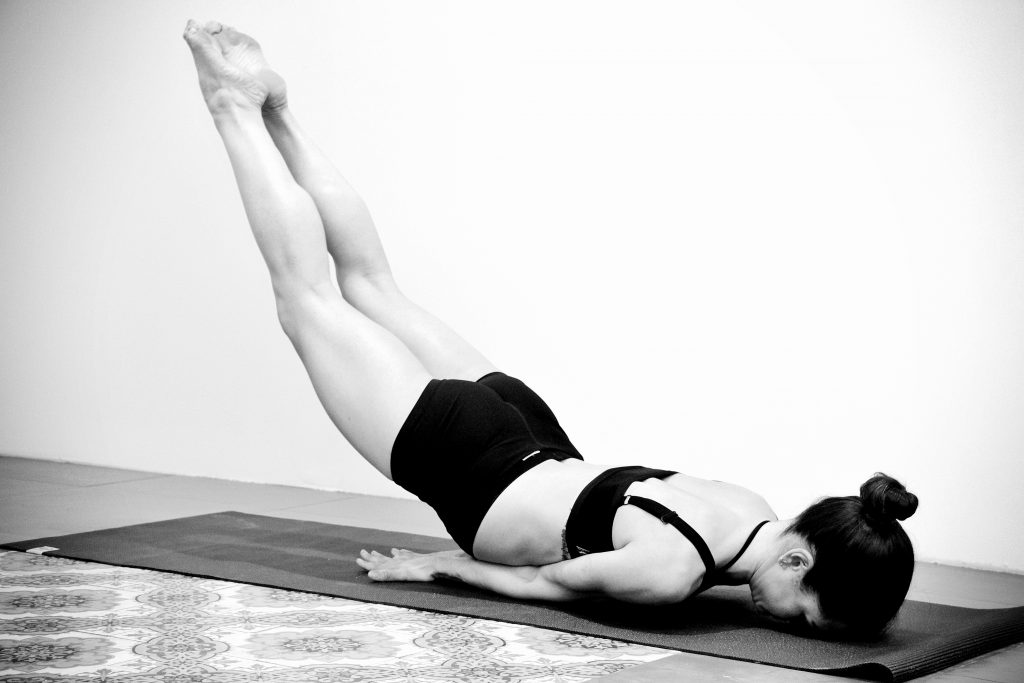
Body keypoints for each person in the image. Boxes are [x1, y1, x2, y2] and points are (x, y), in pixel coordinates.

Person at [182, 20, 919, 638]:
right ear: (796, 562)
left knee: (371, 285)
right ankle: (233, 105)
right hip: (476, 469)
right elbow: (539, 582)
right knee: (305, 298)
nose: (790, 624)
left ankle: (278, 112)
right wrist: (436, 566)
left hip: (526, 426)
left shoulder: (751, 506)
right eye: (808, 616)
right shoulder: (671, 574)